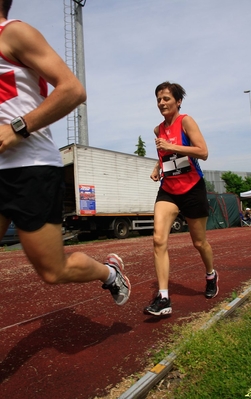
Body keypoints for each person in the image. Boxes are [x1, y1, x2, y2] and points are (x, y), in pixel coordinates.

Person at [0, 1, 131, 306]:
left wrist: (17, 128)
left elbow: (72, 89)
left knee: (52, 271)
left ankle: (109, 273)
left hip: (30, 169)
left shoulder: (14, 33)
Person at [144, 82, 218, 317]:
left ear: (178, 102)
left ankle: (211, 274)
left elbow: (203, 152)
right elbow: (166, 154)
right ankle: (164, 297)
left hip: (192, 188)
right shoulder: (158, 130)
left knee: (199, 243)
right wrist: (157, 167)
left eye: (166, 98)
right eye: (158, 99)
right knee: (158, 239)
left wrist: (171, 145)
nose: (162, 103)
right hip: (169, 190)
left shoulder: (186, 121)